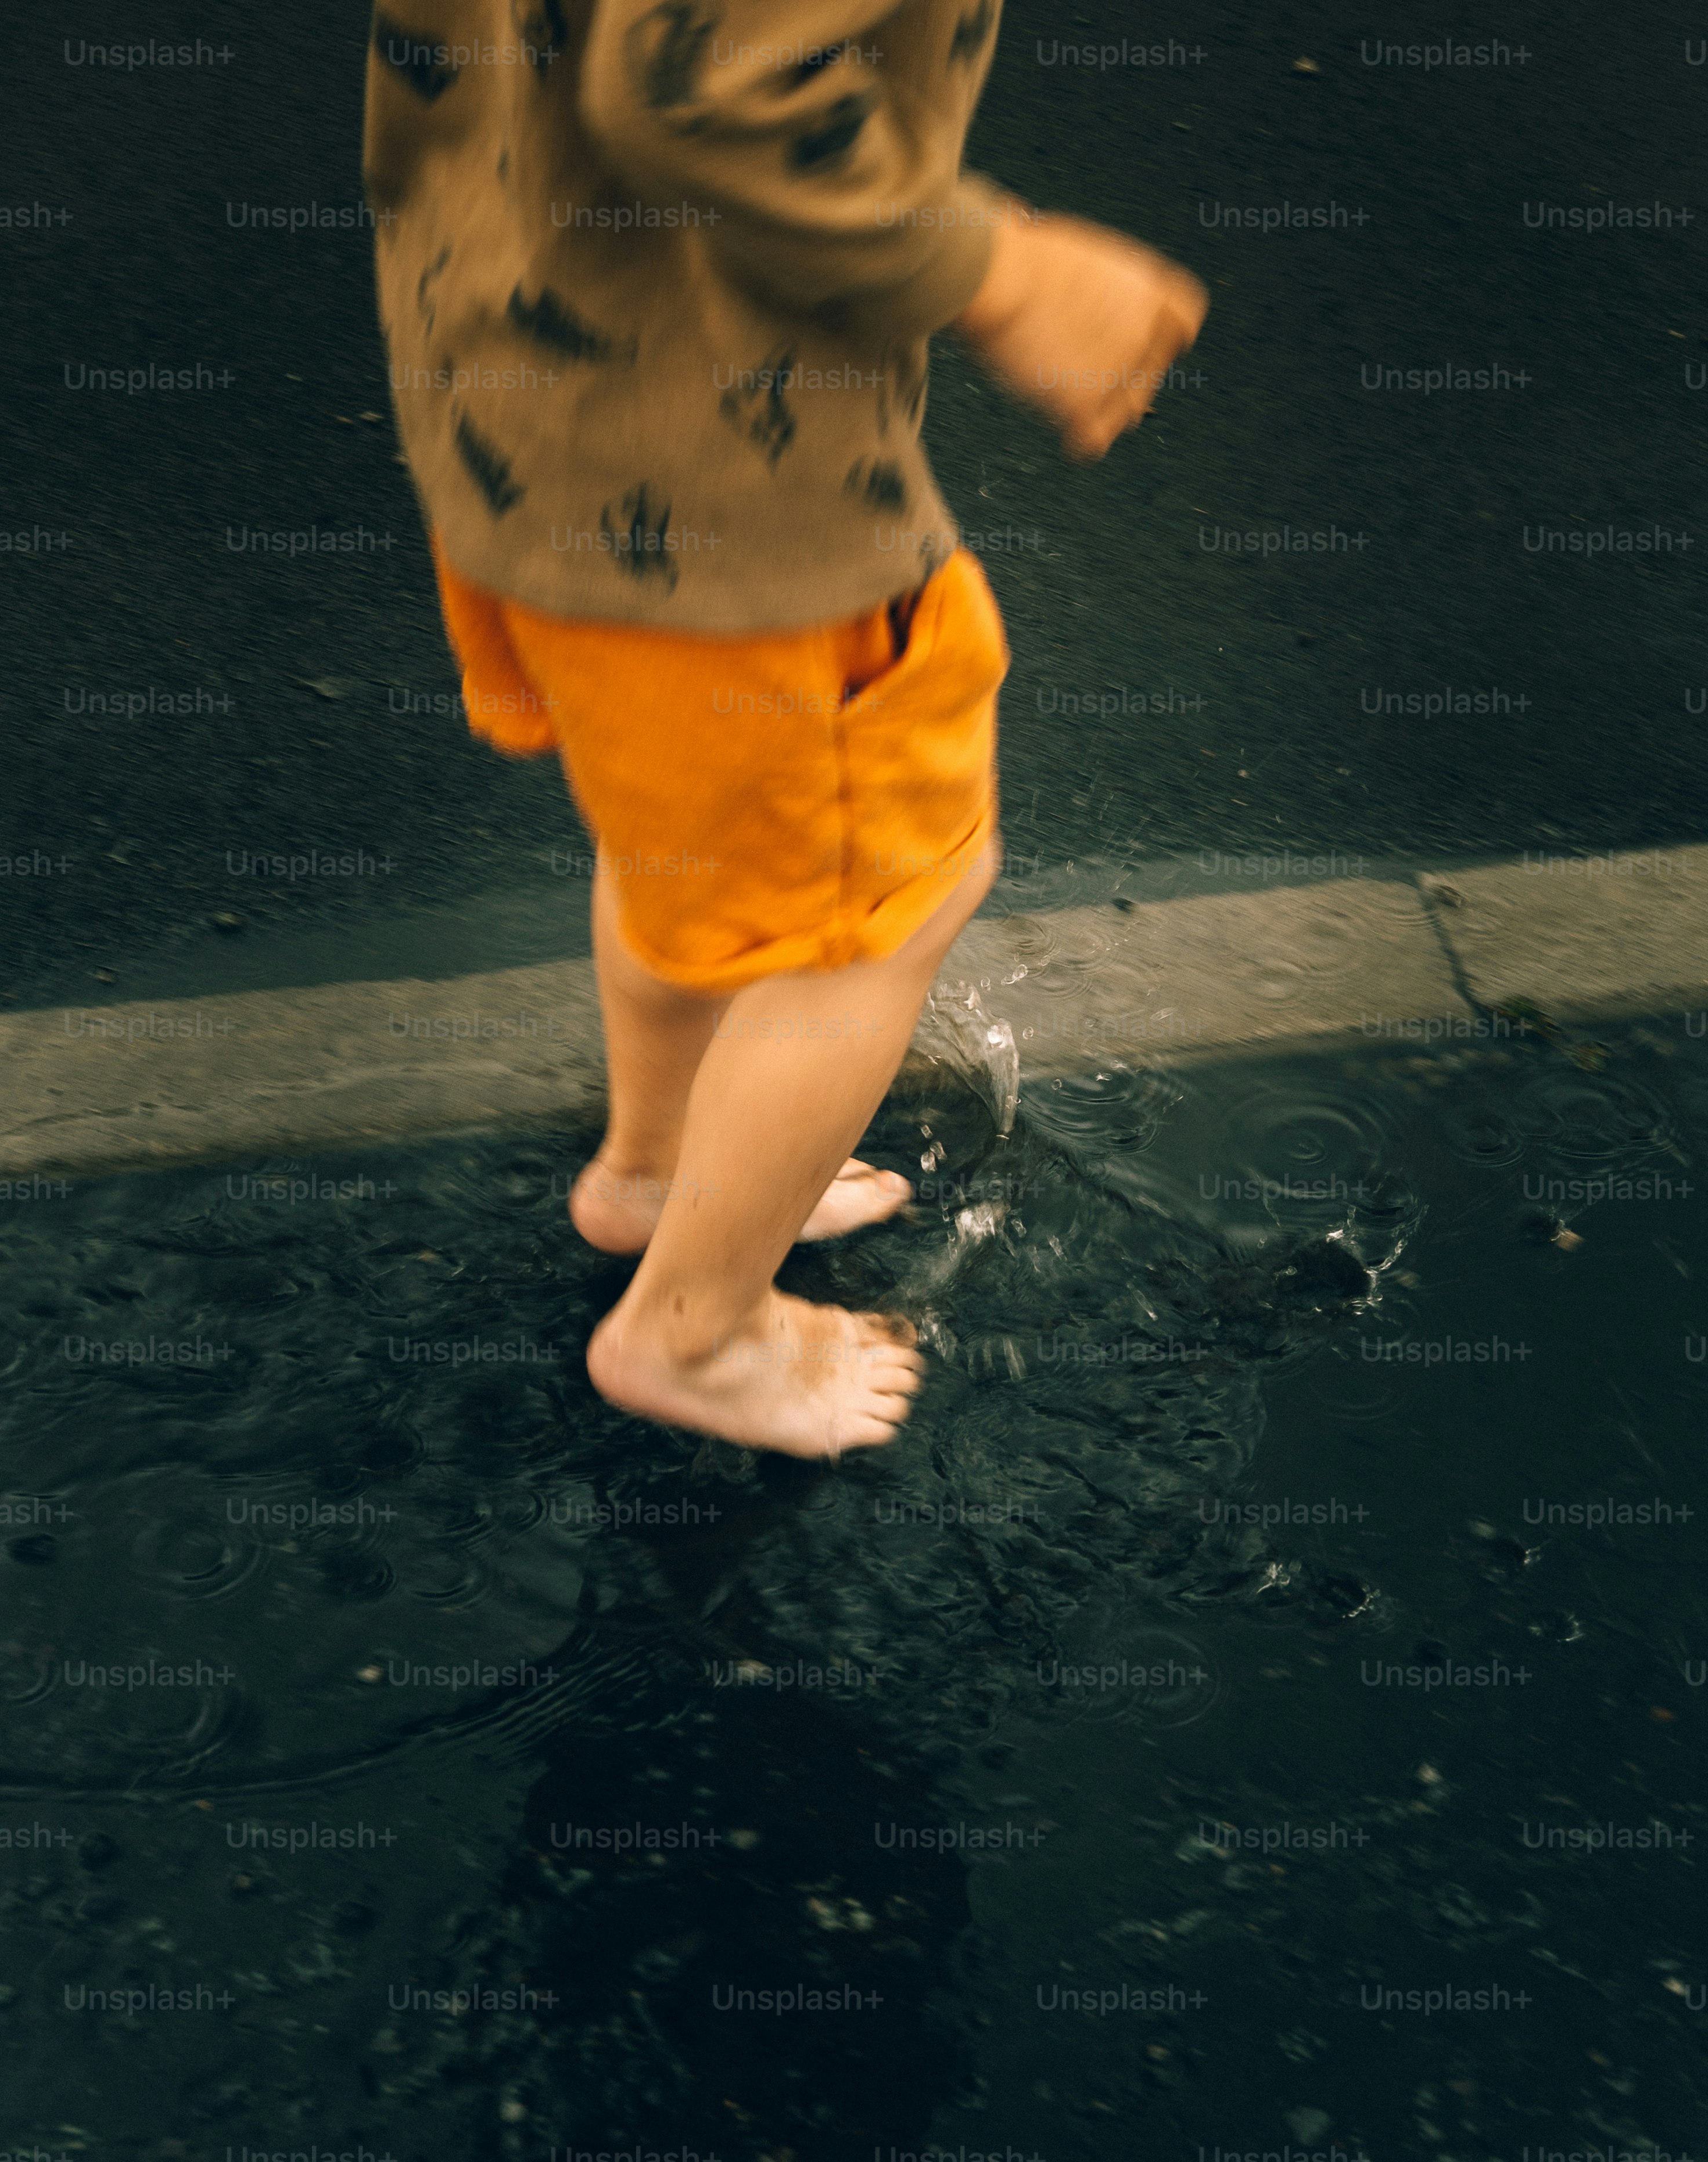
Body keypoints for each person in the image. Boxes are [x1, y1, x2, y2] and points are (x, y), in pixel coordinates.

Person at [367, 0, 1205, 1456]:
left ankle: (660, 1171)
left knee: (689, 843)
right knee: (881, 906)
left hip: (520, 380)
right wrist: (1000, 269)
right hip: (727, 479)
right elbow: (694, 72)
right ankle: (695, 1333)